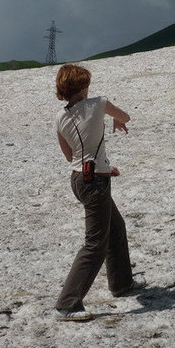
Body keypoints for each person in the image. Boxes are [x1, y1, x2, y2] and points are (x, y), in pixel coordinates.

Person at [53, 64, 145, 321]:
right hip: (96, 184)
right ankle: (67, 304)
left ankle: (122, 283)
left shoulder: (60, 117)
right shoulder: (98, 103)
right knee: (94, 243)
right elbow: (125, 116)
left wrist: (104, 168)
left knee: (116, 228)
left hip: (79, 180)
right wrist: (116, 119)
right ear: (82, 86)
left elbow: (71, 156)